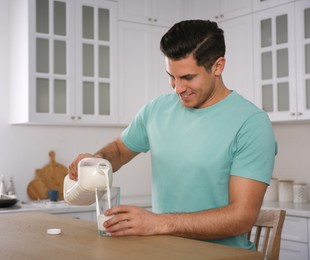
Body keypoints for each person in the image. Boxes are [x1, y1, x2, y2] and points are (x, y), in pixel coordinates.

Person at [68, 20, 276, 250]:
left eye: (187, 78)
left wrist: (157, 223)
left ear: (218, 66)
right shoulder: (156, 110)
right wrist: (96, 160)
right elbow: (118, 150)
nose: (177, 88)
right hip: (163, 253)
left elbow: (242, 218)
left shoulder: (251, 124)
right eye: (171, 77)